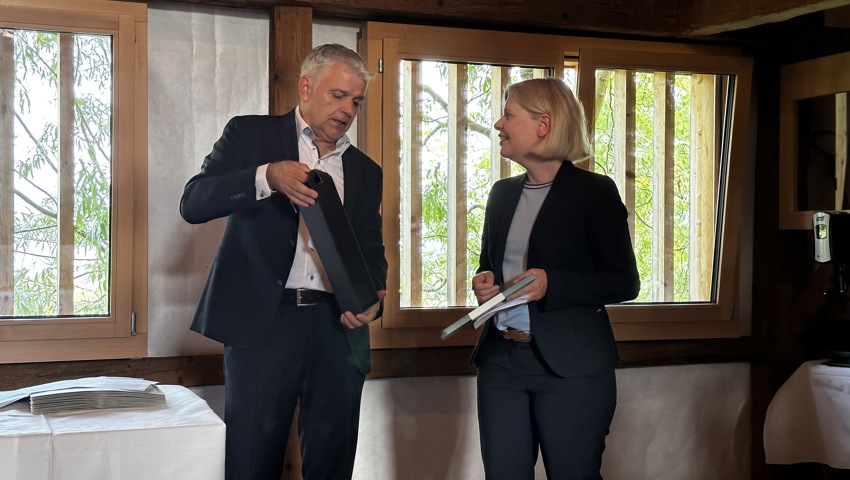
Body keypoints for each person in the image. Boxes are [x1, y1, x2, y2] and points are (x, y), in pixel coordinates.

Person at [180, 44, 387, 480]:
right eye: (338, 96)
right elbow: (193, 202)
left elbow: (371, 251)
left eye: (356, 101)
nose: (348, 109)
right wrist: (266, 176)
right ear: (306, 87)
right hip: (263, 325)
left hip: (338, 331)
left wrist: (375, 299)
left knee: (333, 466)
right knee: (251, 463)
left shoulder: (366, 170)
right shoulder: (250, 135)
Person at [471, 77, 640, 479]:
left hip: (573, 368)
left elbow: (623, 281)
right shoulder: (501, 194)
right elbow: (487, 265)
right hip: (501, 364)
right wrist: (484, 283)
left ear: (543, 125)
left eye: (509, 115)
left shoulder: (594, 193)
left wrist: (553, 284)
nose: (498, 123)